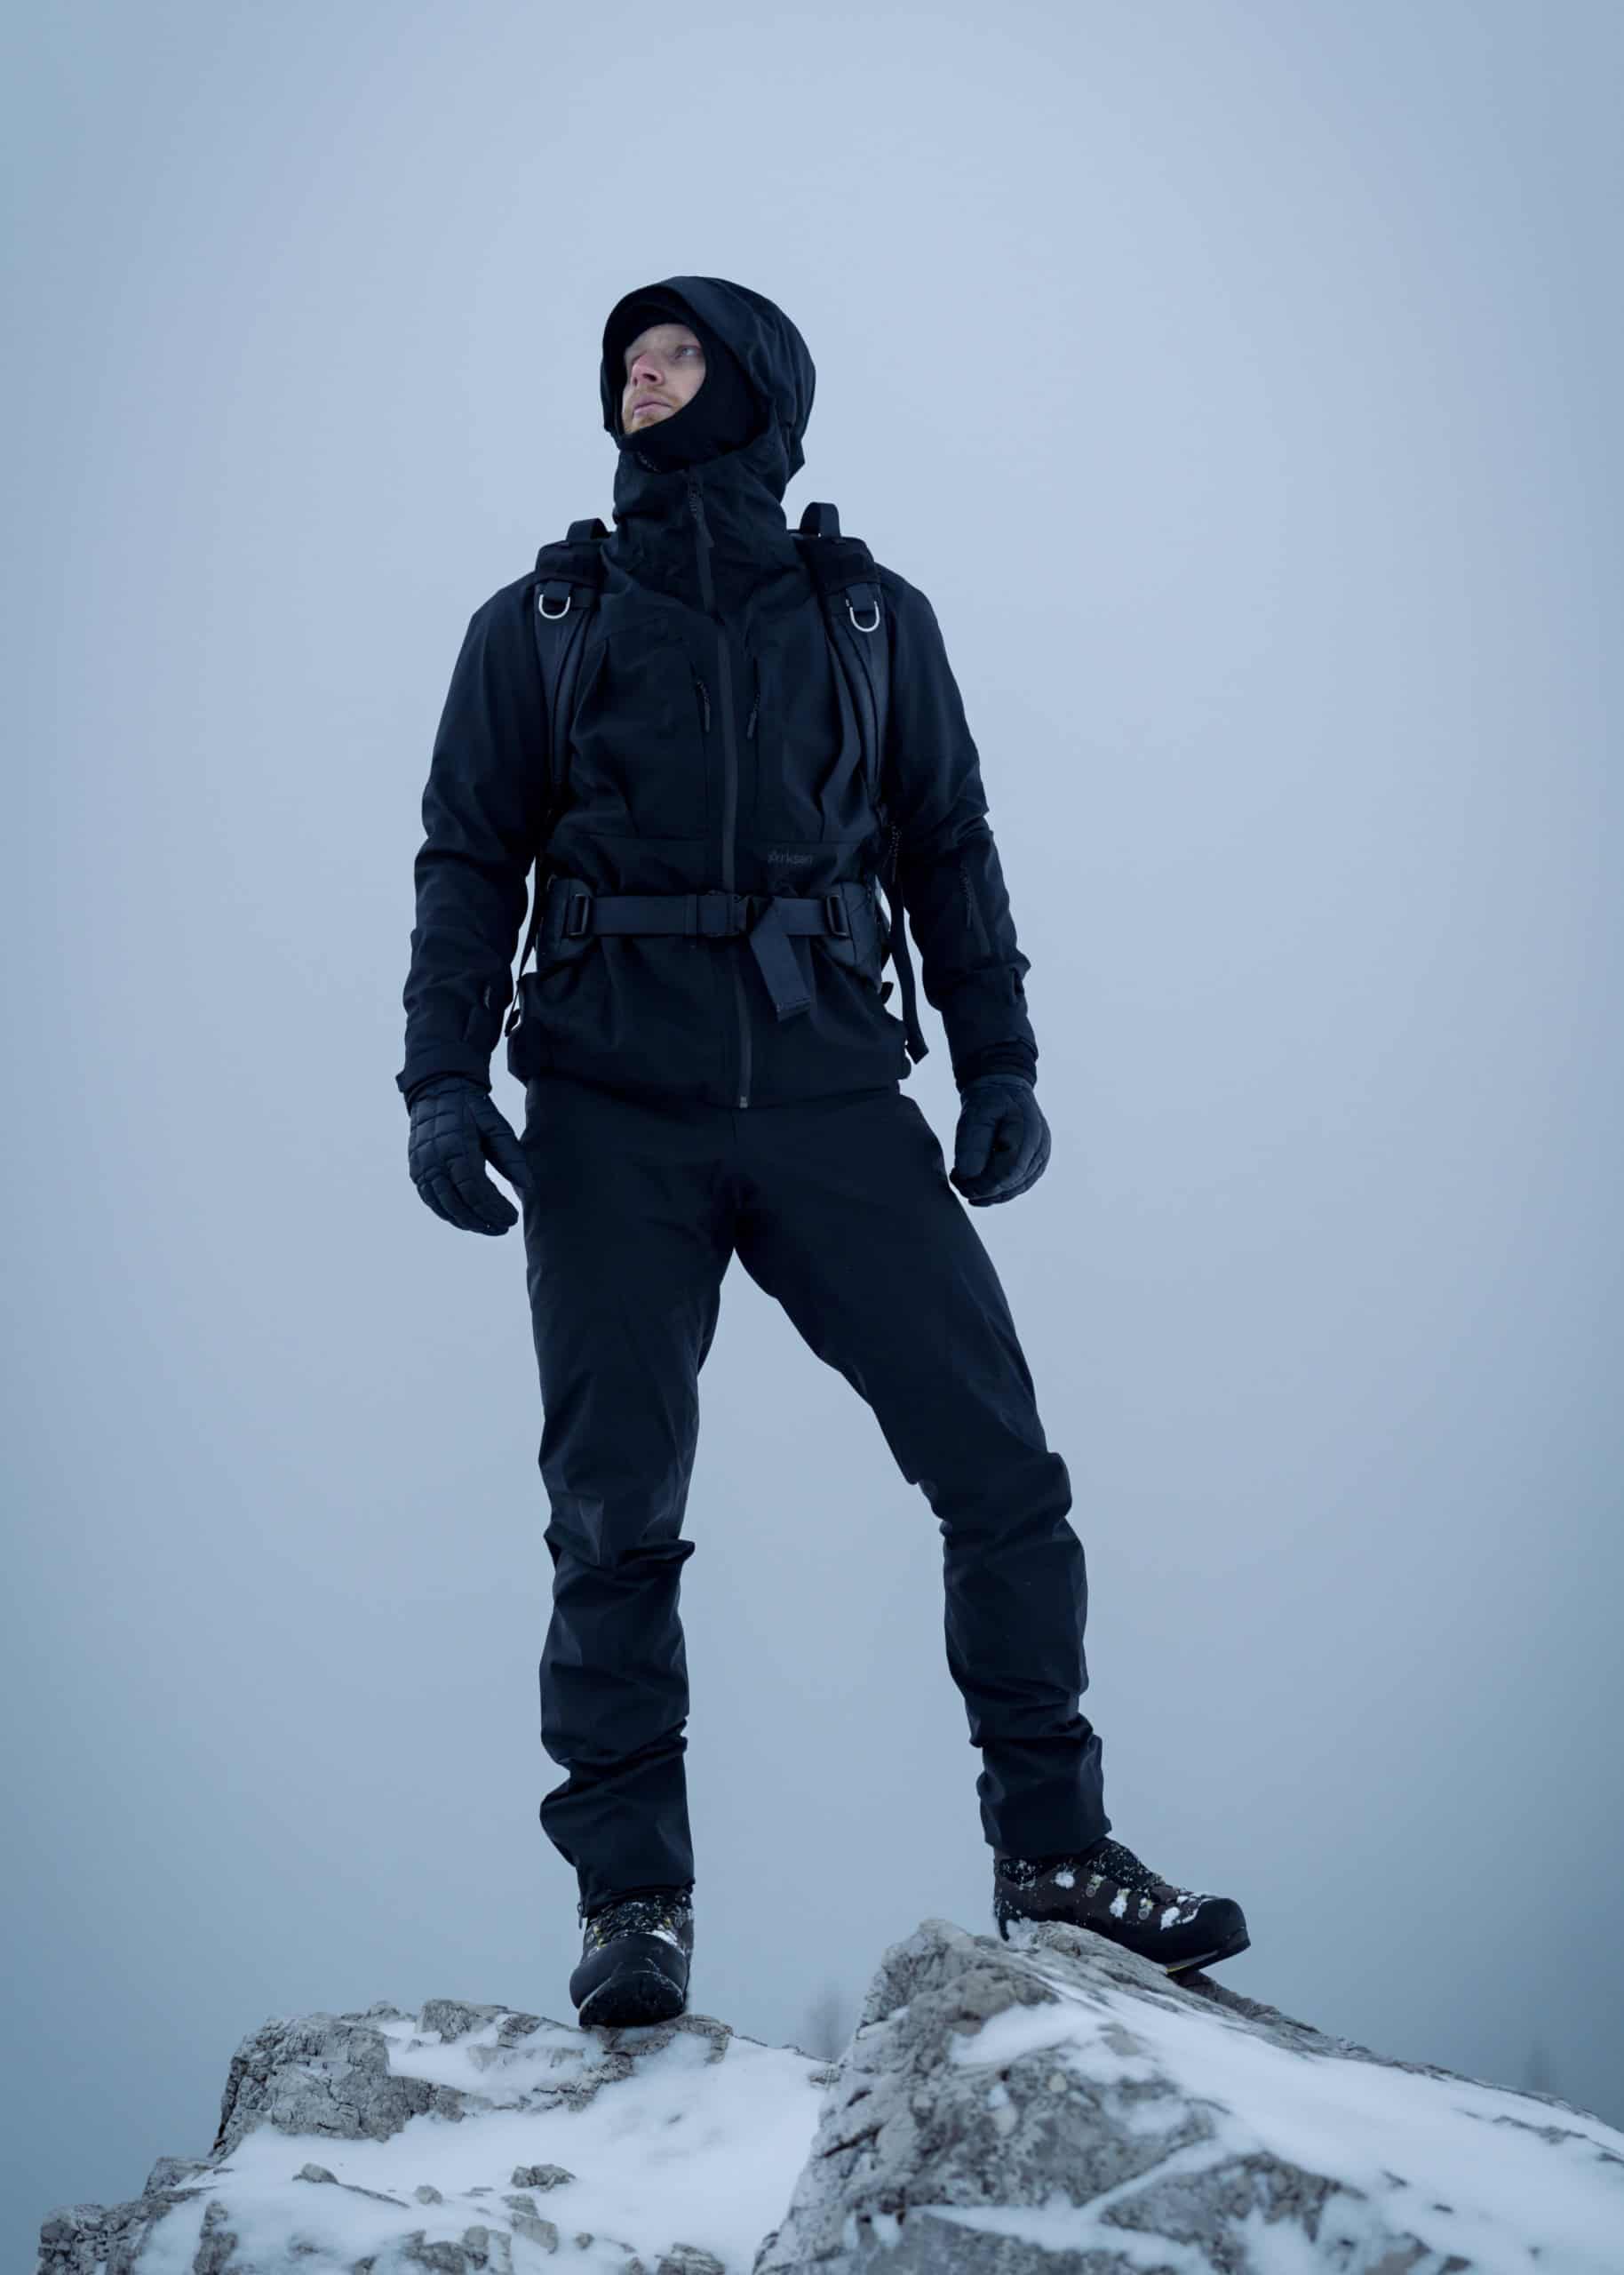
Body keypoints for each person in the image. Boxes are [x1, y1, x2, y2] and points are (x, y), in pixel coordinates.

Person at [397, 275, 1249, 2029]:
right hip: (607, 1110)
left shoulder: (869, 618)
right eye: (625, 358)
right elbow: (468, 856)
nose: (639, 376)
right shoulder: (540, 622)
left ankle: (1054, 1851)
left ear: (755, 389)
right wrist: (438, 1081)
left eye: (675, 352)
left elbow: (948, 842)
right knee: (613, 1510)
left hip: (833, 1099)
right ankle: (632, 1900)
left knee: (998, 1466)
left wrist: (999, 1061)